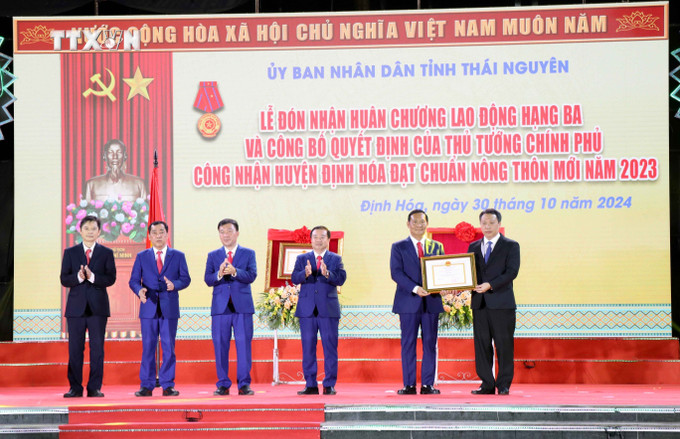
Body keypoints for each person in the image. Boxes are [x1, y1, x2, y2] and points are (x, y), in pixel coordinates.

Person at [129, 221, 191, 397]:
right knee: (148, 347)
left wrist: (174, 285)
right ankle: (146, 385)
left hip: (169, 308)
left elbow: (186, 279)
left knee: (169, 348)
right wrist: (139, 290)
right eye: (154, 232)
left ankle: (167, 385)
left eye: (161, 232)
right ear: (149, 236)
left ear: (167, 234)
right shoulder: (142, 256)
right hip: (148, 307)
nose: (158, 235)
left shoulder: (178, 256)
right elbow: (133, 281)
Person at [60, 215, 116, 398]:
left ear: (99, 232)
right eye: (87, 228)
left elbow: (111, 278)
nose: (90, 232)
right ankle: (75, 388)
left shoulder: (106, 253)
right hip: (75, 309)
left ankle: (94, 388)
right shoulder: (70, 252)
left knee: (97, 349)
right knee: (75, 349)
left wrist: (92, 277)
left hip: (98, 309)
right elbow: (64, 279)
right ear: (80, 231)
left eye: (94, 229)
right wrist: (78, 277)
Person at [390, 209, 444, 395]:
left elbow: (441, 271)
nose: (419, 225)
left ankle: (428, 385)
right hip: (408, 302)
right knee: (408, 343)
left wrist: (446, 285)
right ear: (408, 224)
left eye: (422, 222)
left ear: (427, 224)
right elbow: (396, 273)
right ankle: (409, 385)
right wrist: (415, 288)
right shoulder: (398, 247)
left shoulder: (437, 247)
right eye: (415, 222)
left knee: (430, 343)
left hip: (431, 302)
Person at [468, 208, 520, 396]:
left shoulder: (511, 246)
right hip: (480, 304)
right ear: (480, 225)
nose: (487, 226)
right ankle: (487, 384)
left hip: (502, 304)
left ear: (499, 223)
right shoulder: (473, 247)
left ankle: (503, 384)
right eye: (484, 223)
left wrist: (490, 285)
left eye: (491, 223)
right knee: (481, 345)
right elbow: (469, 273)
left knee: (504, 345)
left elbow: (512, 272)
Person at [204, 218, 257, 396]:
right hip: (220, 308)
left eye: (229, 231)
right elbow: (208, 279)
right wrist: (219, 274)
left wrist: (235, 272)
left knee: (244, 346)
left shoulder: (248, 253)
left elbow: (252, 275)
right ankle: (223, 384)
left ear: (237, 233)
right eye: (222, 232)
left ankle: (244, 384)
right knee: (220, 346)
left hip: (242, 307)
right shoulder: (213, 255)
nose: (225, 235)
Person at [292, 226, 347, 395]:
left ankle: (329, 385)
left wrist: (327, 273)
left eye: (322, 237)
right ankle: (311, 385)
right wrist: (305, 273)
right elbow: (294, 278)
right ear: (311, 239)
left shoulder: (335, 258)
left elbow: (341, 279)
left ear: (328, 239)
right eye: (315, 237)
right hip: (307, 310)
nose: (318, 240)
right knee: (308, 348)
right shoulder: (302, 258)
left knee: (330, 348)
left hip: (328, 310)